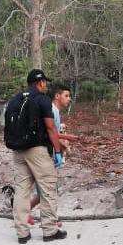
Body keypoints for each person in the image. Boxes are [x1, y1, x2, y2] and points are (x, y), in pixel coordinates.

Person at [5, 69, 66, 244]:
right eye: (45, 82)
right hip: (37, 150)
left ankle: (22, 233)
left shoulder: (16, 99)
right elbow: (50, 127)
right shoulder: (42, 99)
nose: (46, 85)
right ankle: (50, 230)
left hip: (18, 150)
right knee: (48, 188)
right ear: (40, 82)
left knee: (22, 190)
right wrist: (58, 151)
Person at [28, 83, 79, 224]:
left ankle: (25, 213)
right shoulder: (52, 111)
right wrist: (66, 139)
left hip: (44, 152)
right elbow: (51, 133)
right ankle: (50, 220)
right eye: (66, 96)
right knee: (49, 189)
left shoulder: (54, 111)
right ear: (57, 96)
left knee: (44, 190)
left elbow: (53, 134)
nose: (69, 99)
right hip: (44, 154)